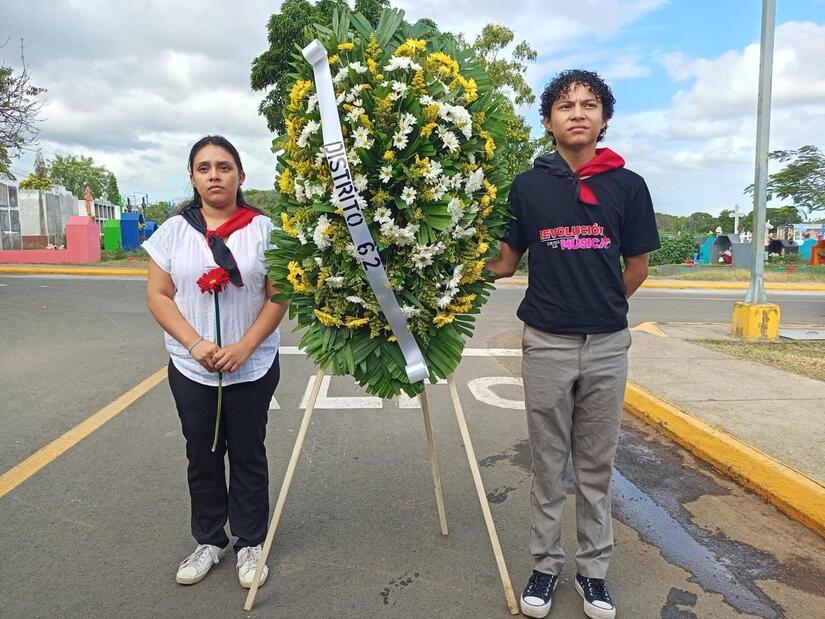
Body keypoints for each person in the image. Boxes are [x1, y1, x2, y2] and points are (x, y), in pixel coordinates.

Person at [486, 70, 659, 619]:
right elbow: (506, 262)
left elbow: (637, 268)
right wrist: (440, 263)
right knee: (547, 462)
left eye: (590, 104)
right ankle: (544, 563)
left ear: (604, 118)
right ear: (548, 120)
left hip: (608, 344)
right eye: (566, 105)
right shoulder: (527, 186)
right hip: (546, 342)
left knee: (595, 464)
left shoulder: (628, 186)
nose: (578, 112)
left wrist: (601, 304)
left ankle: (594, 573)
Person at [144, 135, 288, 589]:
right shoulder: (172, 232)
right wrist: (195, 344)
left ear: (241, 176)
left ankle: (250, 542)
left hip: (253, 363)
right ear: (192, 177)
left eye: (223, 167)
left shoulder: (266, 230)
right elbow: (159, 295)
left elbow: (278, 295)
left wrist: (244, 346)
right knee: (202, 454)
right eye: (203, 168)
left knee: (248, 452)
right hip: (192, 368)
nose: (214, 175)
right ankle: (209, 539)